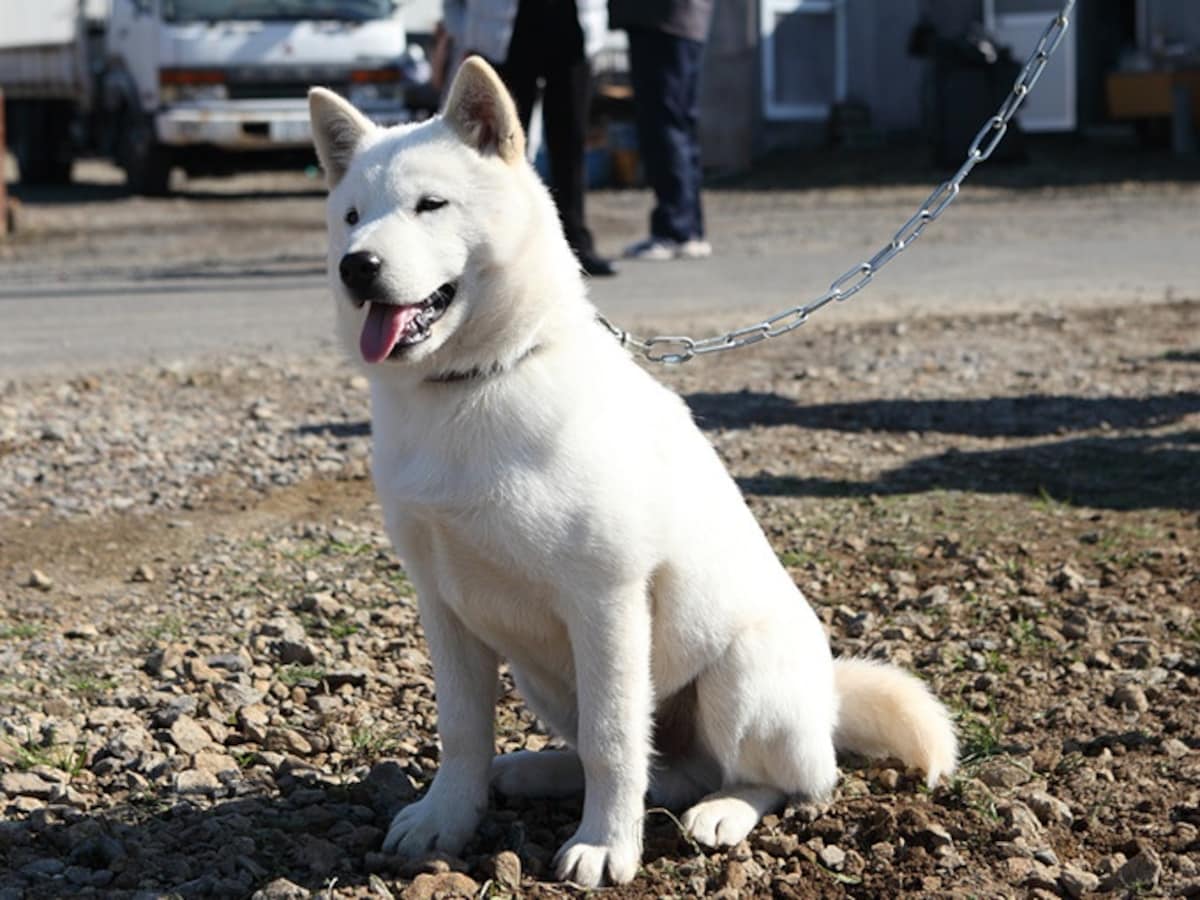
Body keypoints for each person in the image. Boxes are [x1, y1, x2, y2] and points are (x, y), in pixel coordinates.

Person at [441, 0, 617, 277]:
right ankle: (505, 245)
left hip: (572, 31)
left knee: (569, 143)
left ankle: (576, 244)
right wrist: (466, 33)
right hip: (504, 36)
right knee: (499, 148)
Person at [609, 0, 714, 261]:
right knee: (678, 124)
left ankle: (674, 230)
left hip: (663, 20)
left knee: (663, 124)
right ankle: (689, 230)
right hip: (682, 21)